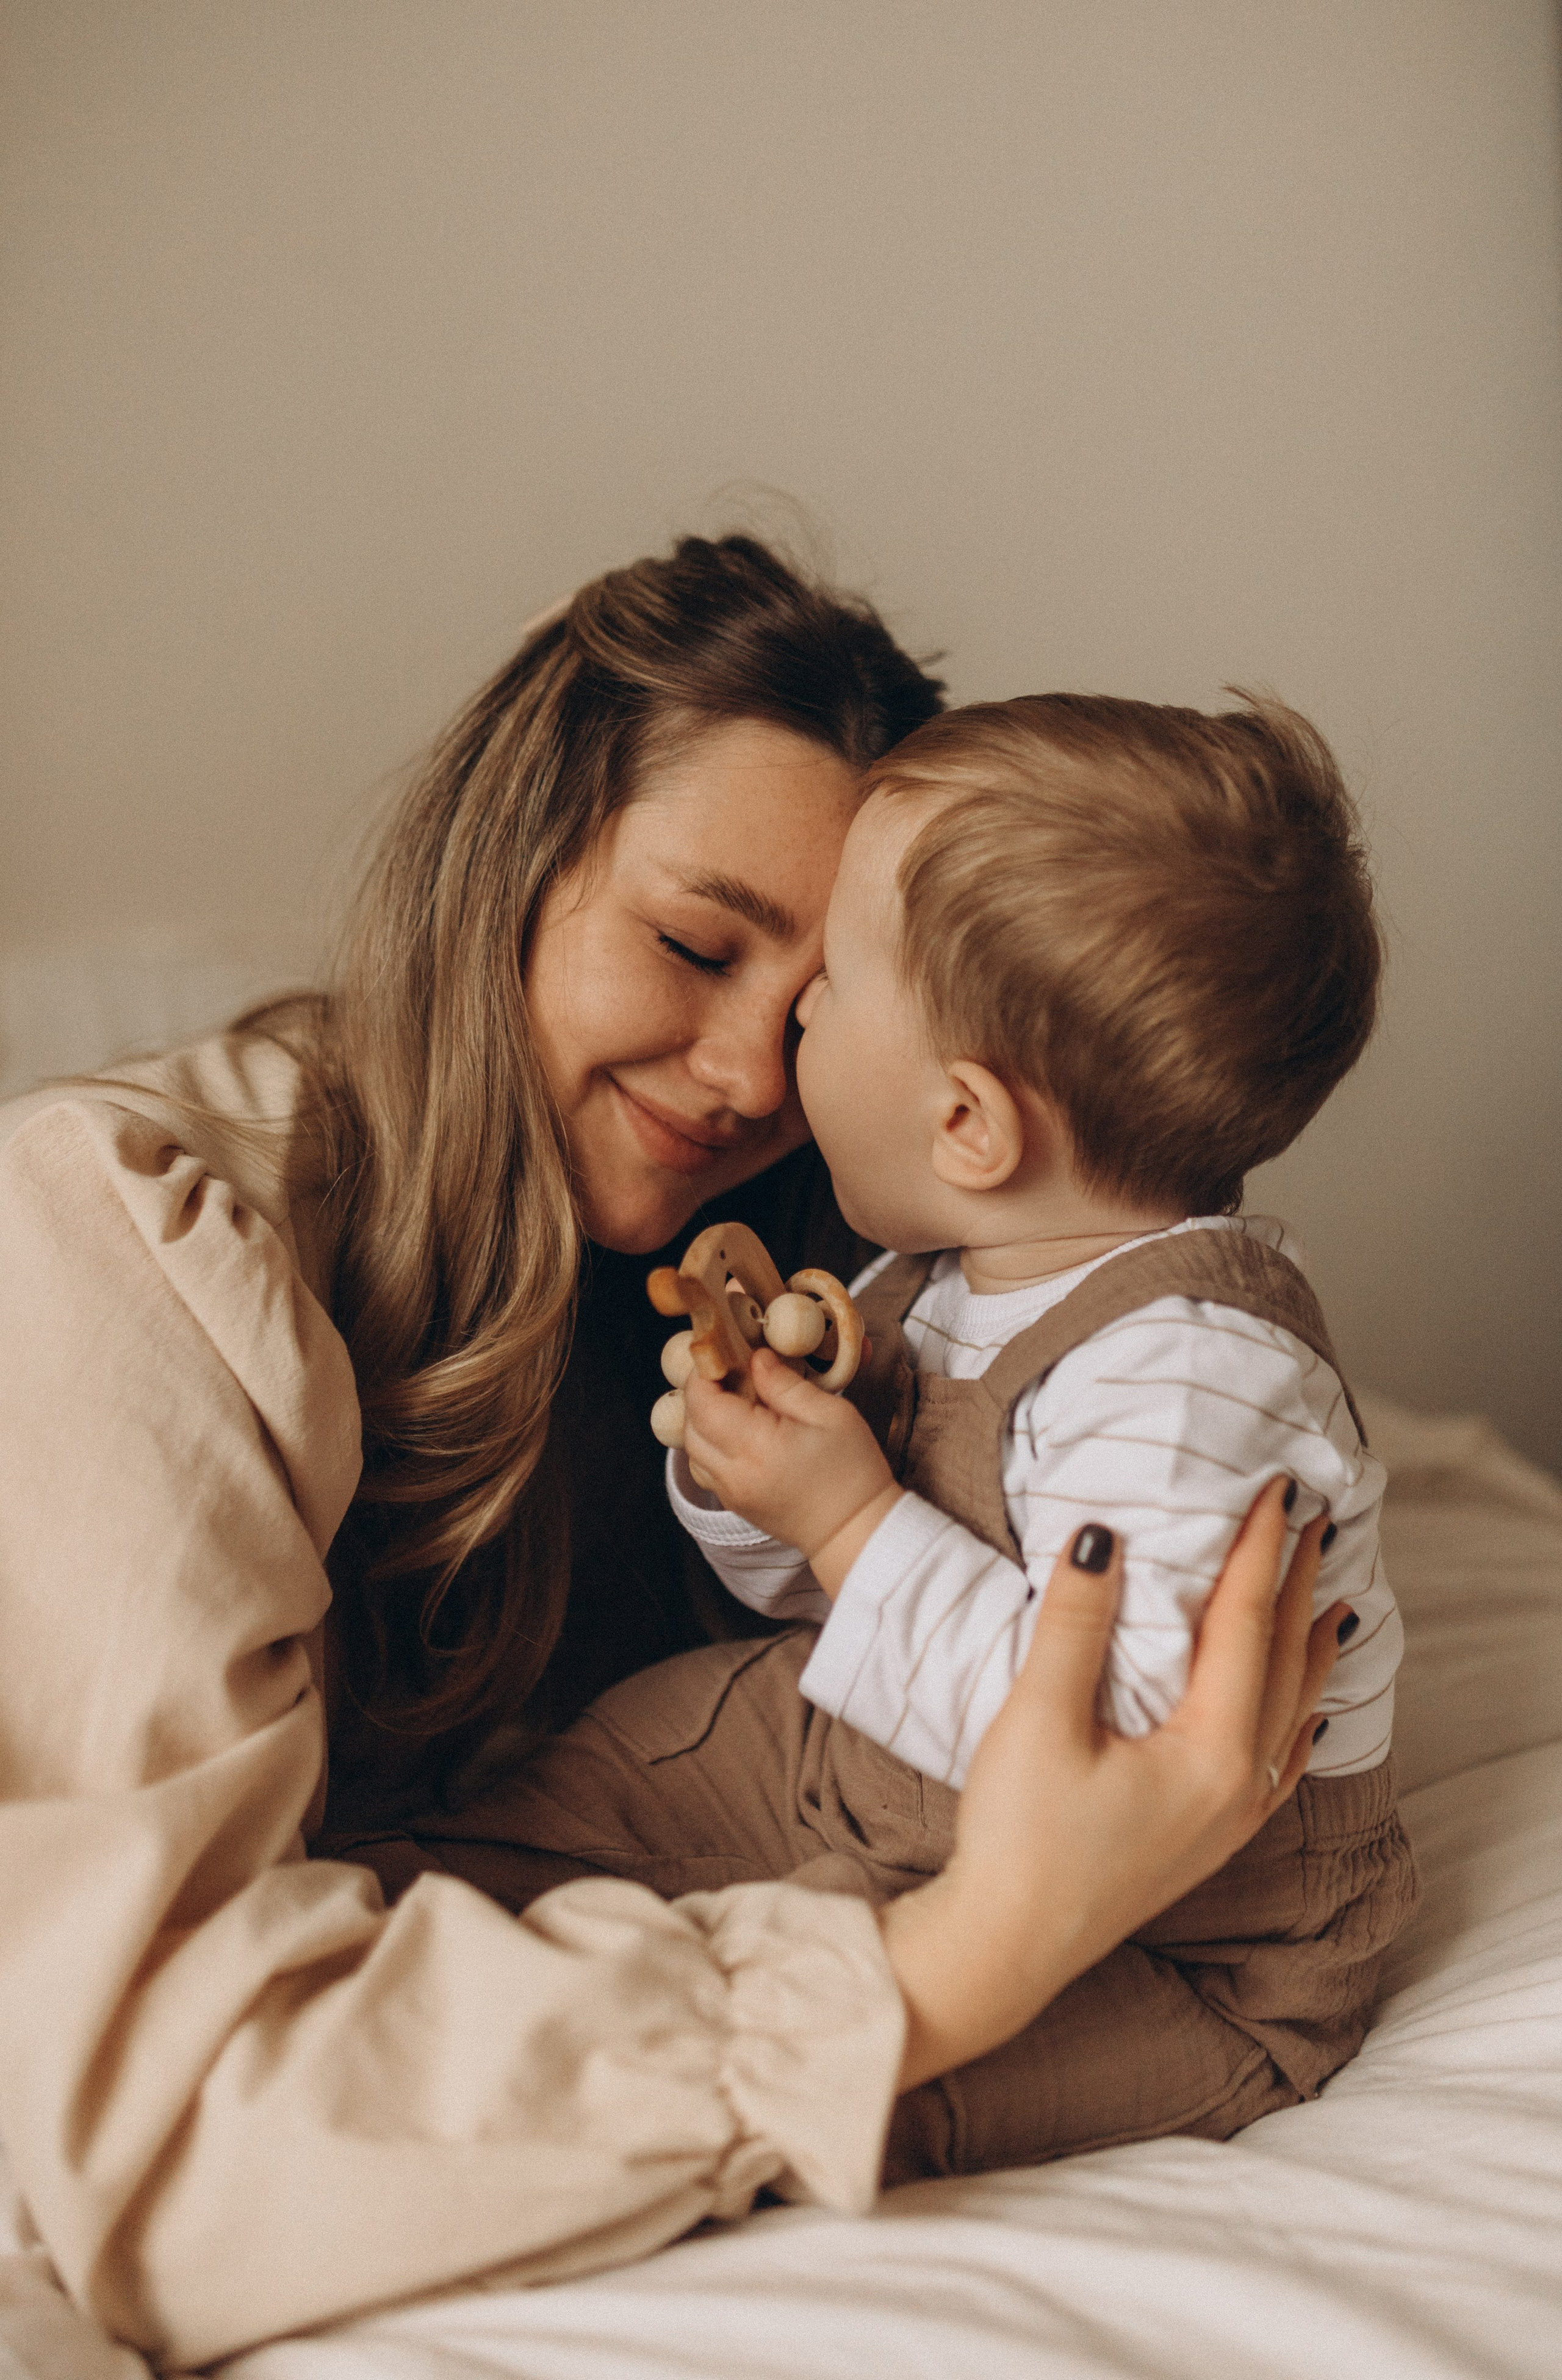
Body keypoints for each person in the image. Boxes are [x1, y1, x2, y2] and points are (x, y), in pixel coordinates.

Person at [0, 538, 1347, 2372]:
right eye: (695, 945)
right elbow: (163, 2135)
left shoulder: (775, 1282)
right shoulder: (118, 1242)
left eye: (816, 1007)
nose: (746, 1074)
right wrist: (981, 1946)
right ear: (508, 862)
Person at [644, 691, 1417, 2174]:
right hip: (878, 1772)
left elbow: (1114, 1762)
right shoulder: (943, 1277)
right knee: (558, 1797)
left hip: (1172, 1947)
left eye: (834, 983)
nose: (792, 1006)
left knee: (829, 2093)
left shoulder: (1196, 1384)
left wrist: (846, 1519)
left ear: (967, 1126)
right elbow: (817, 1596)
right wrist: (749, 1475)